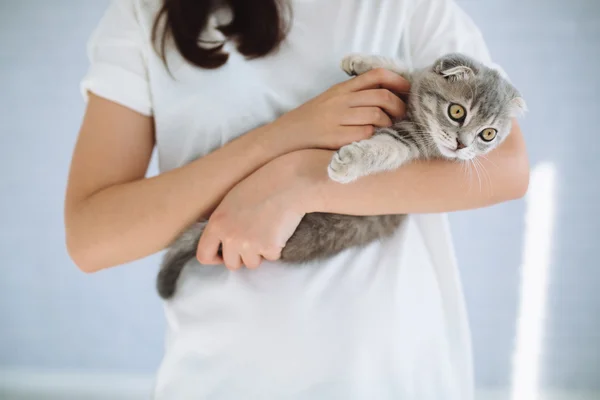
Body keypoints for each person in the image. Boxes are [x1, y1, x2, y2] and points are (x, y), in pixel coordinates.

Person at [64, 0, 529, 398]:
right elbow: (92, 237)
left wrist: (302, 180)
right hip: (219, 378)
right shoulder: (144, 14)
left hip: (389, 373)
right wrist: (280, 139)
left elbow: (507, 169)